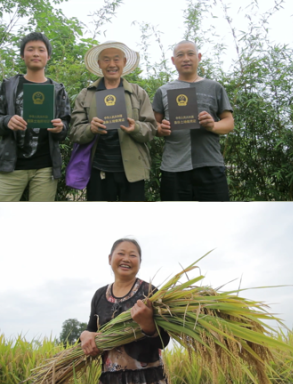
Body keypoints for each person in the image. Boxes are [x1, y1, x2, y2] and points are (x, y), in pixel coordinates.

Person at [0, 32, 70, 201]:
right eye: (30, 49)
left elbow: (66, 125)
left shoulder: (58, 90)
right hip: (12, 165)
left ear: (48, 56)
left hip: (46, 167)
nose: (36, 53)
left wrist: (60, 127)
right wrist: (7, 121)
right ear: (22, 55)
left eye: (41, 50)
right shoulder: (8, 86)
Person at [70, 41, 157, 201]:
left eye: (117, 59)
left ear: (124, 62)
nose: (112, 64)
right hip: (98, 170)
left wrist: (136, 128)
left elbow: (151, 129)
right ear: (99, 64)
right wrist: (90, 129)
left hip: (133, 170)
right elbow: (75, 132)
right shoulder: (86, 94)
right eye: (106, 59)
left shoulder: (138, 93)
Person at [79, 238, 170, 384]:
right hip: (110, 379)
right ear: (110, 259)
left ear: (140, 262)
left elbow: (163, 341)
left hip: (147, 378)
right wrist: (84, 335)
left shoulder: (150, 293)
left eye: (133, 255)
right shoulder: (100, 295)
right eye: (121, 253)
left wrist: (148, 324)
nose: (126, 259)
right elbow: (91, 331)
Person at [152, 40, 234, 201]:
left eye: (190, 54)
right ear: (173, 60)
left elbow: (229, 122)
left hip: (210, 165)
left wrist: (213, 125)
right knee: (176, 222)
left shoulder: (215, 87)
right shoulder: (163, 91)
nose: (186, 58)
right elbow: (153, 123)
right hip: (174, 167)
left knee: (216, 220)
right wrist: (160, 129)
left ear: (199, 57)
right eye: (180, 55)